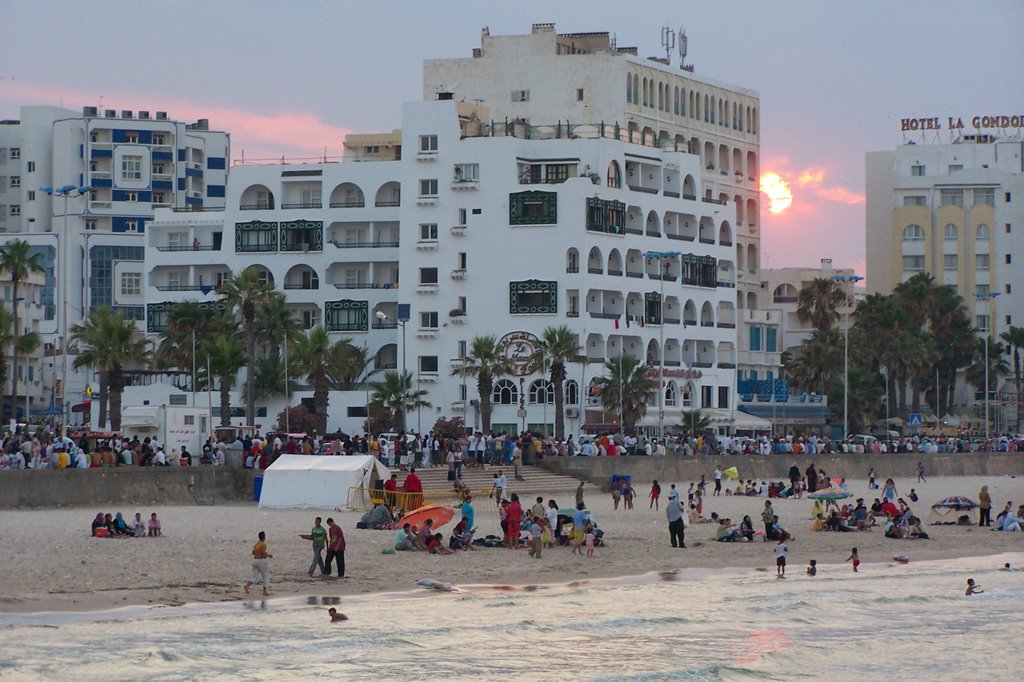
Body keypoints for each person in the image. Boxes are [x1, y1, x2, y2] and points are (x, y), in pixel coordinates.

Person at [244, 531, 272, 596]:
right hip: (261, 561)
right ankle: (264, 591)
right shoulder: (263, 544)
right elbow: (263, 555)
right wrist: (269, 555)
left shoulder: (256, 544)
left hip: (254, 560)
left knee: (255, 577)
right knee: (265, 576)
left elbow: (253, 553)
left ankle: (247, 585)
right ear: (264, 537)